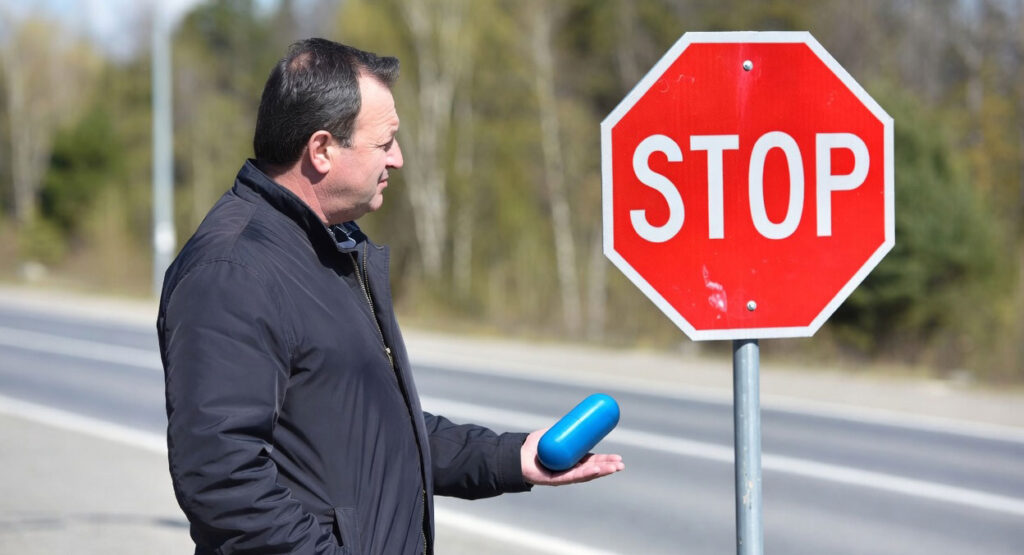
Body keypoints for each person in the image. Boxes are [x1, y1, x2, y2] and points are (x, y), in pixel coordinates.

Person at [156, 37, 624, 555]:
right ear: (322, 150)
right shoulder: (234, 270)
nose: (397, 159)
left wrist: (511, 458)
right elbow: (222, 479)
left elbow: (376, 429)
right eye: (385, 143)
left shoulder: (328, 249)